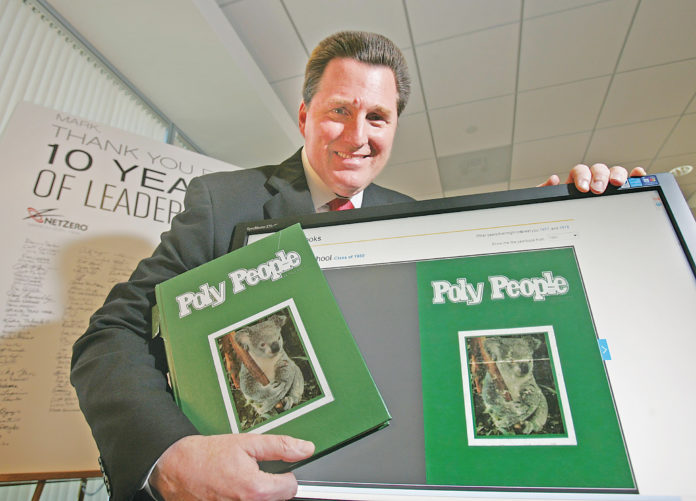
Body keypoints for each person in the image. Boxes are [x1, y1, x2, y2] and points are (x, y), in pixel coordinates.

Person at [71, 31, 645, 501]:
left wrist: (547, 230)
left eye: (377, 117)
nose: (357, 135)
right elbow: (112, 334)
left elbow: (457, 342)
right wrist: (169, 456)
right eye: (339, 111)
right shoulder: (225, 203)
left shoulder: (415, 218)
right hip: (253, 486)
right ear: (304, 115)